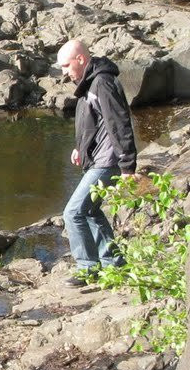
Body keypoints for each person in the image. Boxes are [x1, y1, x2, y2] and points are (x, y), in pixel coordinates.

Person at [55, 39, 137, 286]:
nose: (64, 73)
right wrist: (80, 148)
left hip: (108, 161)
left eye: (66, 66)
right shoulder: (90, 82)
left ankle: (87, 268)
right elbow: (94, 123)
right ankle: (114, 264)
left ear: (80, 59)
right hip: (98, 158)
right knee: (90, 211)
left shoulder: (102, 82)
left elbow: (118, 122)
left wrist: (127, 166)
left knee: (73, 212)